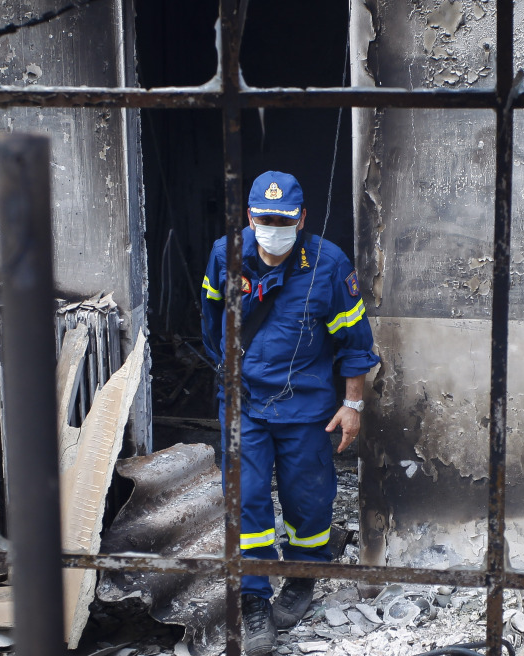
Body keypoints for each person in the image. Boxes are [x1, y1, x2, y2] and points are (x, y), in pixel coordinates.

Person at [200, 171, 380, 655]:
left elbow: (355, 343)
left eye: (283, 219)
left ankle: (301, 577)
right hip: (245, 406)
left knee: (310, 501)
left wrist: (352, 404)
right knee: (248, 502)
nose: (272, 226)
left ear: (300, 219)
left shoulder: (327, 264)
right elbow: (211, 324)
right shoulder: (225, 255)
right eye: (264, 218)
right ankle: (254, 600)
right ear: (249, 217)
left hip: (308, 407)